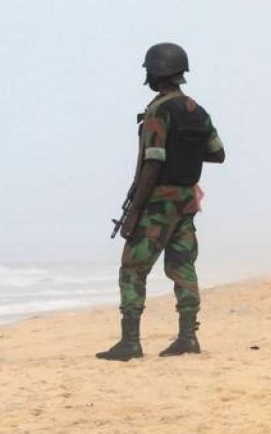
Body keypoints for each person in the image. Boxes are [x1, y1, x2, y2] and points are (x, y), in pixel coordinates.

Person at [97, 42, 226, 362]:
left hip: (157, 203)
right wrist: (186, 155)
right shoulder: (198, 111)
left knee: (132, 269)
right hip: (185, 202)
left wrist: (135, 210)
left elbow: (153, 162)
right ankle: (188, 337)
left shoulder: (158, 111)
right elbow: (217, 153)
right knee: (182, 267)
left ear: (155, 73)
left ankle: (130, 342)